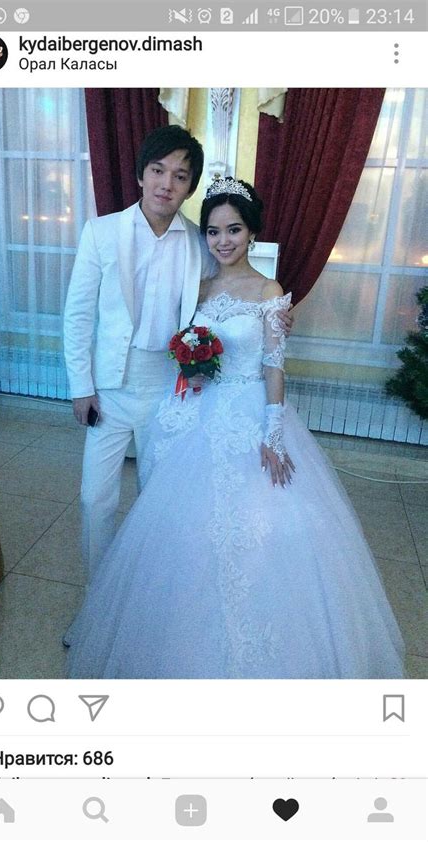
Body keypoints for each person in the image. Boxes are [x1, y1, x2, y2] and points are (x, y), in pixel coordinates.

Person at [67, 177, 405, 679]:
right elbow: (176, 332)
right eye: (213, 231)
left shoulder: (270, 291)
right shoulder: (198, 285)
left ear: (251, 233)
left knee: (265, 524)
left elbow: (273, 364)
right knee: (173, 519)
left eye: (234, 230)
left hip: (250, 414)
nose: (223, 241)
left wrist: (271, 434)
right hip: (197, 411)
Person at [64, 126, 292, 578]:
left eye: (181, 176)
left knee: (159, 499)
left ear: (190, 186)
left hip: (174, 389)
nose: (167, 183)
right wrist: (80, 387)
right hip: (110, 386)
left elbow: (234, 295)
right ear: (141, 175)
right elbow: (76, 316)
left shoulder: (200, 241)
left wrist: (280, 315)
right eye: (158, 170)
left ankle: (147, 596)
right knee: (95, 498)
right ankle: (98, 598)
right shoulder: (101, 233)